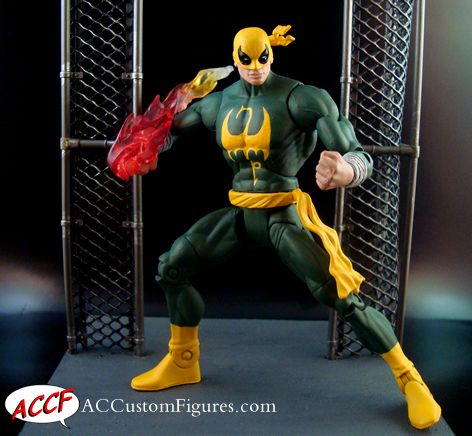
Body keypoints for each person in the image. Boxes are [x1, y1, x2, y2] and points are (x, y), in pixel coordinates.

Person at [129, 26, 441, 430]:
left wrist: (346, 171)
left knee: (341, 296)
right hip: (240, 213)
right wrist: (147, 150)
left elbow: (357, 153)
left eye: (262, 57)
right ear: (235, 57)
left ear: (272, 54)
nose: (255, 66)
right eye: (246, 59)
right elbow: (169, 131)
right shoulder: (218, 102)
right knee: (171, 267)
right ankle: (183, 361)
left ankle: (409, 378)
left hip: (282, 215)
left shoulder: (301, 97)